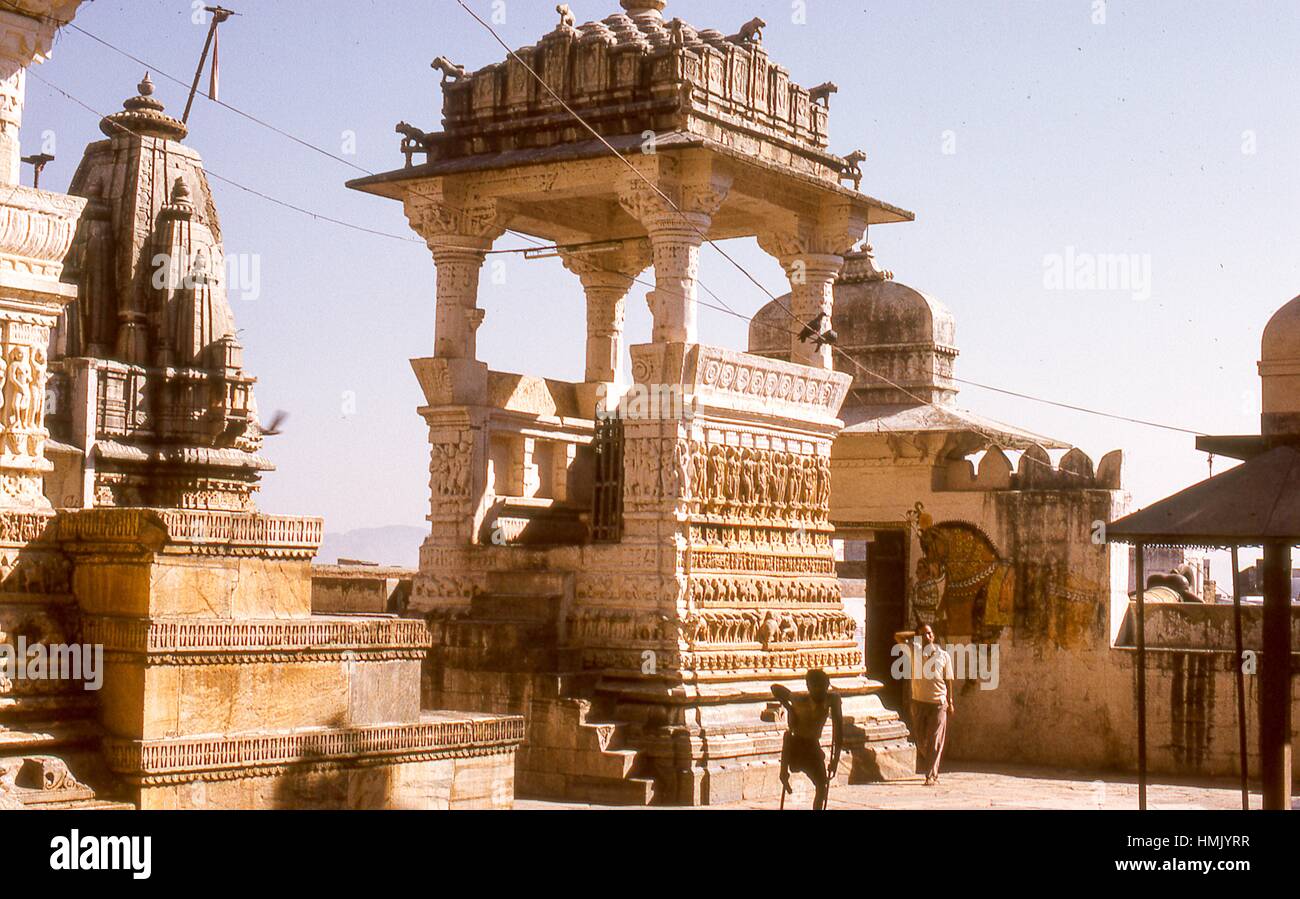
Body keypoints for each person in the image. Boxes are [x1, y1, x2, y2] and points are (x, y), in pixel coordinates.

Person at [770, 668, 843, 810]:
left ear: (827, 685)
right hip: (796, 744)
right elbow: (775, 688)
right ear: (808, 686)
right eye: (815, 686)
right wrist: (789, 708)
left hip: (812, 746)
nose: (819, 690)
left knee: (822, 785)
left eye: (823, 686)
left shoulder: (832, 700)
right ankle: (785, 775)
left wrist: (835, 760)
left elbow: (838, 732)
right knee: (788, 741)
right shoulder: (799, 699)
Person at [894, 623, 955, 785]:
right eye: (923, 635)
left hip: (938, 702)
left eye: (929, 634)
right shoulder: (913, 650)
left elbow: (948, 679)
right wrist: (914, 634)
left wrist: (950, 700)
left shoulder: (943, 655)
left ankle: (931, 774)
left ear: (933, 635)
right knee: (921, 740)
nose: (927, 637)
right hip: (919, 701)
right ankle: (929, 763)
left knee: (935, 739)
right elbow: (898, 636)